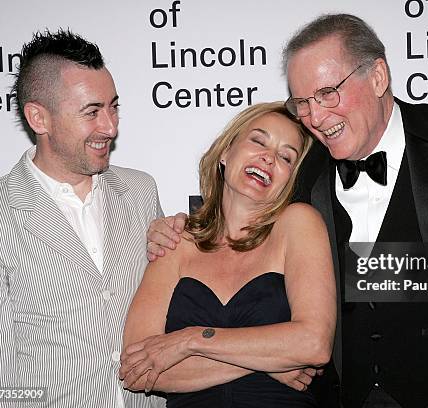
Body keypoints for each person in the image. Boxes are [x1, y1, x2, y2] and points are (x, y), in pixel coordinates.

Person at [147, 14, 428, 408]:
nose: (315, 118)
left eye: (327, 93)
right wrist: (174, 226)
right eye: (302, 102)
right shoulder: (300, 167)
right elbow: (239, 213)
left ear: (377, 77)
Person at [0, 30, 164, 407]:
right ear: (39, 118)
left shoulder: (140, 191)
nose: (110, 127)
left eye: (114, 107)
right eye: (92, 112)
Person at [120, 102, 336, 407]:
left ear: (291, 180)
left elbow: (314, 344)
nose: (268, 158)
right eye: (258, 141)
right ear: (226, 152)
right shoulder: (176, 241)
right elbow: (137, 370)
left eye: (286, 157)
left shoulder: (298, 223)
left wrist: (191, 340)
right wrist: (268, 360)